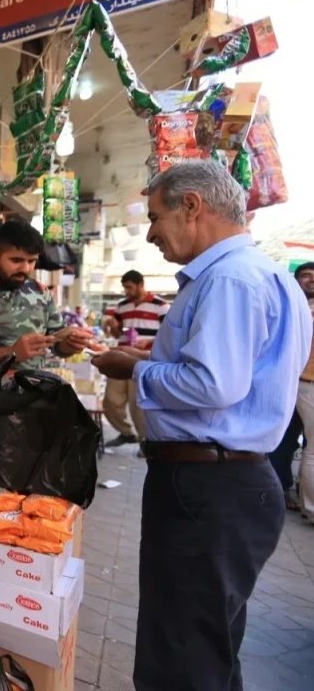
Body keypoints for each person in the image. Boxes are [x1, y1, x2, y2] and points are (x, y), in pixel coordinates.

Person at [91, 161, 312, 691]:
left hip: (208, 488)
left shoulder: (230, 279)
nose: (151, 233)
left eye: (155, 216)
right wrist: (146, 358)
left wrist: (134, 370)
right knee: (208, 647)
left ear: (191, 206)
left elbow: (213, 385)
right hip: (228, 483)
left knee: (181, 656)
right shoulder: (266, 277)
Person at [0, 219, 95, 398]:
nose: (25, 268)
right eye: (16, 260)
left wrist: (70, 343)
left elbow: (56, 344)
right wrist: (11, 353)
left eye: (32, 261)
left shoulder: (40, 292)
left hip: (31, 399)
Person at [100, 270, 170, 450]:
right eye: (124, 288)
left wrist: (149, 342)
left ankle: (145, 442)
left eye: (129, 287)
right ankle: (126, 433)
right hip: (121, 358)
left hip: (144, 361)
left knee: (138, 404)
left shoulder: (161, 306)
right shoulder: (122, 306)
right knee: (110, 401)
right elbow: (116, 334)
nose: (126, 291)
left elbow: (170, 335)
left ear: (140, 285)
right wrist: (114, 326)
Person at [294, 261, 314, 519]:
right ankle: (311, 508)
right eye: (306, 275)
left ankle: (305, 503)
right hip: (308, 382)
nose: (312, 280)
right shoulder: (305, 308)